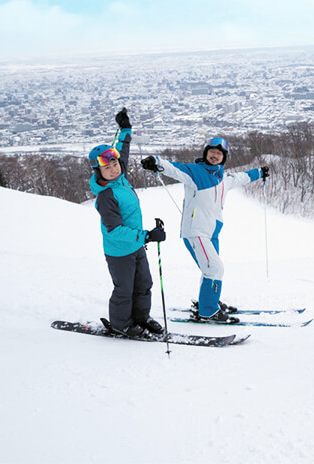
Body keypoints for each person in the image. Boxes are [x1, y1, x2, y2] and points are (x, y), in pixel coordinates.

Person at [141, 138, 268, 322]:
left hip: (212, 233)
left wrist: (259, 172)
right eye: (212, 152)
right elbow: (175, 168)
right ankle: (208, 311)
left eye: (219, 153)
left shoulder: (223, 178)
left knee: (209, 269)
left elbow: (242, 177)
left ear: (224, 158)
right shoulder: (195, 172)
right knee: (215, 268)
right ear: (205, 153)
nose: (215, 155)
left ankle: (209, 301)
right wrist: (157, 162)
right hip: (196, 231)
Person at [88, 108, 166, 337]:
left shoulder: (120, 178)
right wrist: (147, 236)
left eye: (115, 164)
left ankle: (141, 317)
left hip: (136, 245)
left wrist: (125, 129)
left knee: (144, 284)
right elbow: (114, 230)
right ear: (98, 171)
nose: (113, 169)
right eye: (107, 167)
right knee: (124, 290)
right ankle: (122, 324)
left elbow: (123, 150)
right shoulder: (106, 196)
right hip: (120, 250)